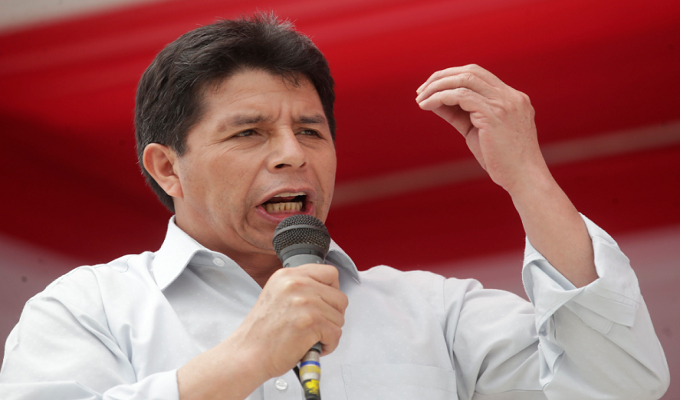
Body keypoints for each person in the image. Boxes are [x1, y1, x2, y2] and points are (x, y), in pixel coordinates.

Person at [0, 13, 670, 400]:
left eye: (311, 131)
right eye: (249, 132)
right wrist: (242, 362)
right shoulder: (87, 309)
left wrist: (526, 176)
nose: (293, 154)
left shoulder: (433, 311)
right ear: (167, 167)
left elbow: (618, 386)